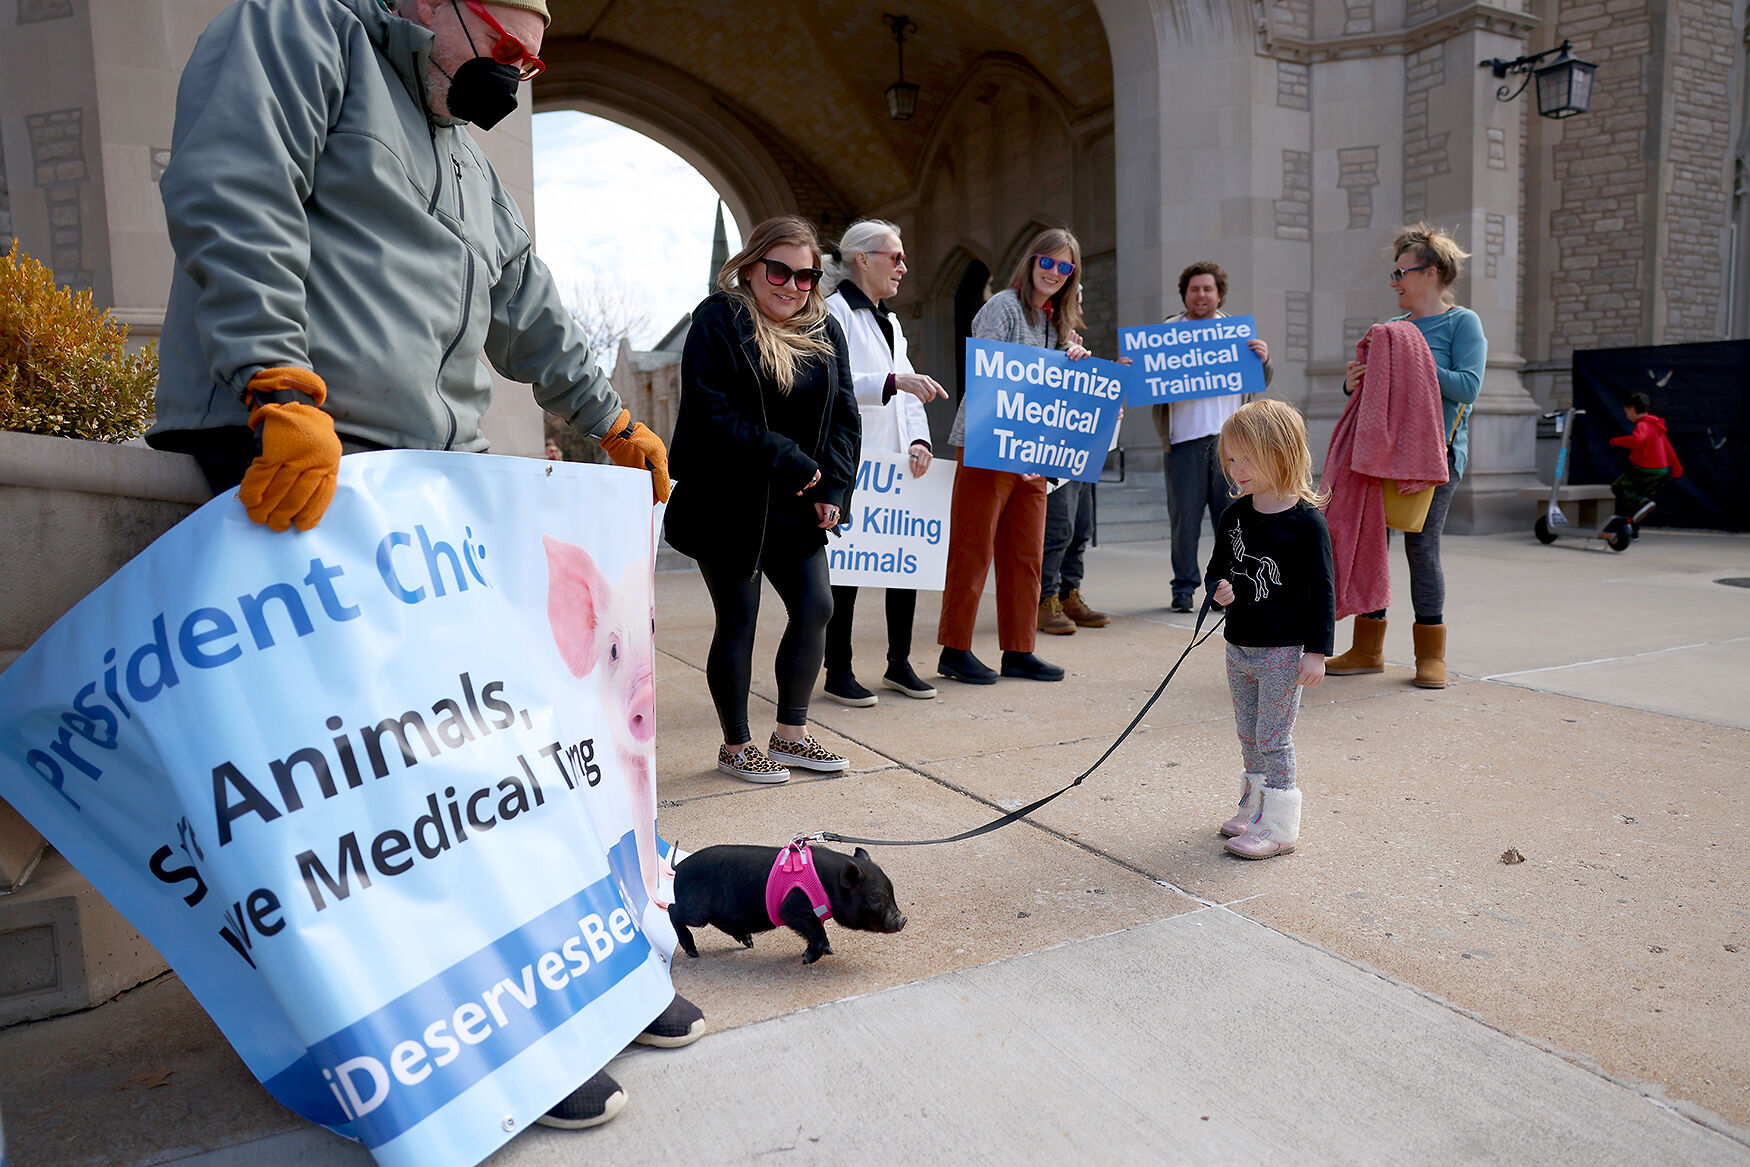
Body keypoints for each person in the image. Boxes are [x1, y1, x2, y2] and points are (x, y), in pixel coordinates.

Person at [145, 0, 688, 1131]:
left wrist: (603, 420)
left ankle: (561, 984)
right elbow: (232, 186)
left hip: (415, 478)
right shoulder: (300, 31)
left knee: (485, 745)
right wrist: (276, 381)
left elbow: (525, 300)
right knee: (382, 775)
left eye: (533, 61)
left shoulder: (462, 151)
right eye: (502, 39)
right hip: (297, 448)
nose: (514, 71)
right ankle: (461, 1030)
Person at [663, 216, 861, 783]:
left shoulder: (824, 329)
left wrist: (832, 485)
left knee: (816, 607)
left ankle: (790, 737)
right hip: (728, 499)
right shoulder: (719, 318)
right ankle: (736, 745)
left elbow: (845, 415)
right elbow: (711, 410)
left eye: (806, 276)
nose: (792, 285)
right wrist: (788, 457)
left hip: (796, 499)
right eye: (779, 270)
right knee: (739, 619)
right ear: (750, 268)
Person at [1329, 224, 1485, 689]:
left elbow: (1469, 387)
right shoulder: (1392, 330)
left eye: (1401, 272)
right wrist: (1353, 382)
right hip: (1381, 455)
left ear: (1430, 273)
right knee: (1370, 545)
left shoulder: (1462, 323)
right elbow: (1370, 394)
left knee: (1422, 547)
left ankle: (1430, 654)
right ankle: (1367, 648)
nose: (1394, 282)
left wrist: (1410, 362)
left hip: (1436, 456)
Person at [937, 228, 1092, 684]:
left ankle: (1019, 648)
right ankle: (955, 649)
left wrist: (1075, 360)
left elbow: (1059, 386)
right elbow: (988, 372)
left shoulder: (1058, 322)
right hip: (990, 443)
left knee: (1026, 555)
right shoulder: (1003, 306)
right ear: (1031, 261)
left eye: (1066, 268)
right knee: (973, 549)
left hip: (1037, 450)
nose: (1055, 273)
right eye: (1048, 262)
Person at [820, 219, 947, 705]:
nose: (903, 266)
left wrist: (919, 441)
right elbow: (833, 384)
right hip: (855, 459)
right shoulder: (833, 312)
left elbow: (911, 390)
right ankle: (839, 670)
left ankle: (899, 662)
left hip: (894, 461)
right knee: (847, 572)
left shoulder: (889, 321)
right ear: (862, 259)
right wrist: (893, 383)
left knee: (904, 564)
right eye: (894, 257)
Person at [1205, 400, 1334, 860]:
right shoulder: (1234, 516)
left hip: (1282, 651)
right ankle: (1254, 806)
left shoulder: (1306, 524)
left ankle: (1279, 825)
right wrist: (1217, 588)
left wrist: (1317, 651)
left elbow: (1323, 591)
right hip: (1238, 645)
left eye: (1246, 459)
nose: (1236, 469)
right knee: (1247, 733)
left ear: (1281, 453)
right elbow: (1218, 567)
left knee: (1273, 738)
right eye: (1231, 459)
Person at [1152, 262, 1273, 614]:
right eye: (1194, 289)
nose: (1201, 295)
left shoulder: (1236, 333)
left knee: (1232, 521)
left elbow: (1258, 379)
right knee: (1184, 521)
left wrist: (1263, 360)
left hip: (1231, 446)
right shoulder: (1167, 332)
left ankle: (1228, 588)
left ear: (1219, 294)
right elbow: (1146, 378)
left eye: (1208, 289)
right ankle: (1184, 588)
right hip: (1183, 442)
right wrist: (1134, 367)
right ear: (1185, 295)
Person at [1606, 391, 1683, 537]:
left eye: (1627, 412)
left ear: (1633, 410)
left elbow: (1636, 441)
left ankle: (1643, 503)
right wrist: (1676, 469)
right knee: (1633, 501)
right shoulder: (1657, 425)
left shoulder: (1644, 425)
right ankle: (1632, 531)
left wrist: (1616, 441)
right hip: (1660, 471)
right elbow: (1668, 448)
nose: (1627, 416)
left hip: (1645, 469)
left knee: (1619, 487)